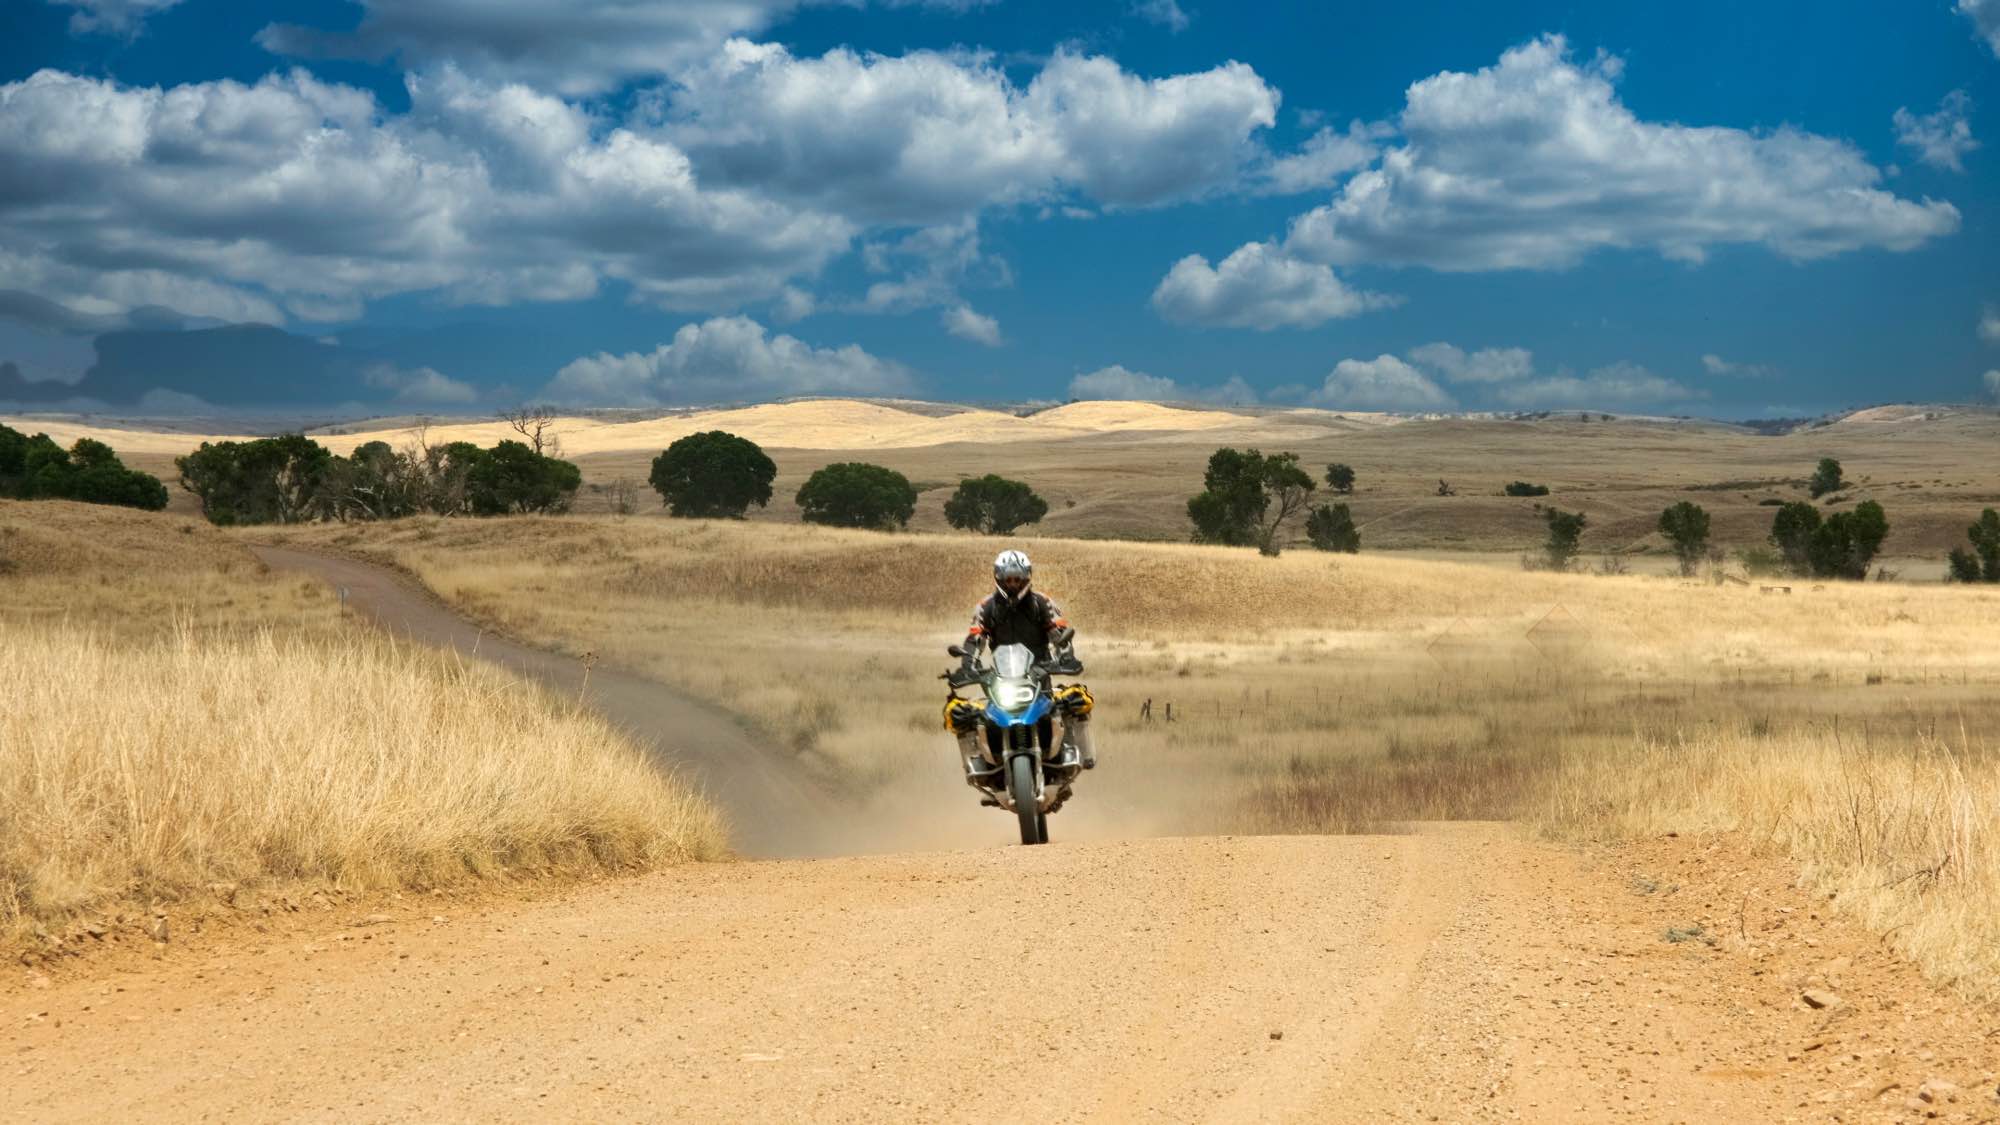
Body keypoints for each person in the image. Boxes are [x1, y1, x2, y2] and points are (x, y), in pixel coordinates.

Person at [952, 549, 1095, 770]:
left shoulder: (1042, 603)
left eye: (1017, 579)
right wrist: (967, 664)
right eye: (1008, 579)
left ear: (1026, 577)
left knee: (1069, 703)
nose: (1013, 584)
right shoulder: (986, 606)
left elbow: (1059, 632)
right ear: (998, 577)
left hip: (1039, 672)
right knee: (971, 715)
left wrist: (1066, 655)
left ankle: (1072, 755)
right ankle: (985, 763)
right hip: (1003, 675)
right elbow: (975, 637)